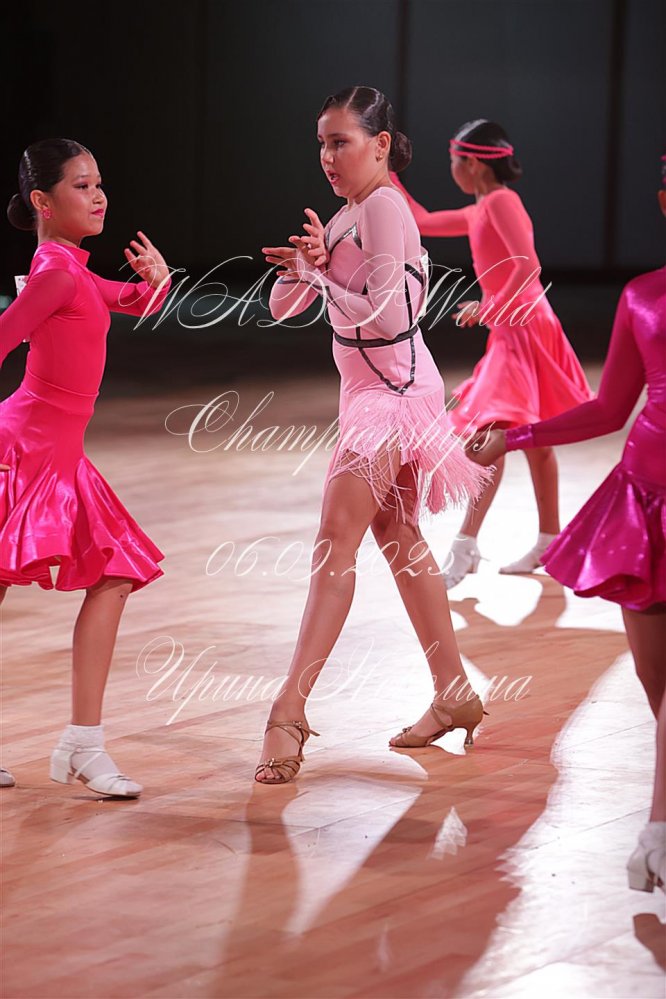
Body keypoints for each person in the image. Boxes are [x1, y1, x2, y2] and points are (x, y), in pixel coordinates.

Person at [256, 86, 491, 785]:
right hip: (379, 392)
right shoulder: (345, 215)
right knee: (397, 534)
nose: (328, 156)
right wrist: (307, 268)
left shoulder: (385, 208)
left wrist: (321, 276)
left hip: (392, 395)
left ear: (381, 144)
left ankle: (288, 712)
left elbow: (387, 319)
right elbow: (279, 306)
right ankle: (454, 693)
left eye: (342, 142)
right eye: (322, 144)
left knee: (338, 536)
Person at [467, 163, 666, 893]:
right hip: (644, 501)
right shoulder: (642, 296)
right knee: (656, 687)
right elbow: (609, 409)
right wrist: (514, 437)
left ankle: (656, 831)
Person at [0, 139, 171, 797]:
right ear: (43, 202)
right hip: (23, 452)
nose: (98, 197)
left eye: (99, 183)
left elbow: (133, 301)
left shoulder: (69, 268)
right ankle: (82, 742)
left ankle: (83, 743)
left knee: (115, 575)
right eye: (81, 186)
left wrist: (157, 281)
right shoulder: (57, 274)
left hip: (58, 457)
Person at [390, 120, 592, 586]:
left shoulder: (502, 201)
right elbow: (421, 220)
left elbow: (528, 267)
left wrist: (488, 306)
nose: (452, 170)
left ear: (474, 164)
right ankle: (547, 540)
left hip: (525, 325)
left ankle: (466, 546)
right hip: (513, 327)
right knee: (533, 439)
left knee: (490, 435)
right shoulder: (480, 208)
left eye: (453, 162)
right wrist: (386, 174)